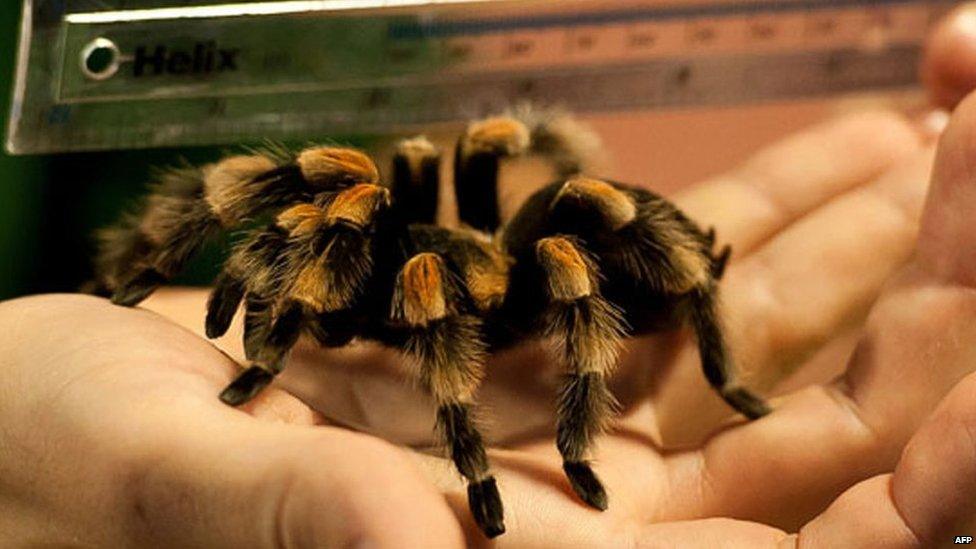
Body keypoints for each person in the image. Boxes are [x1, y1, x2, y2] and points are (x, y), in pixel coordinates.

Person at [4, 7, 976, 547]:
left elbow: (509, 168)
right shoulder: (364, 237)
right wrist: (134, 291)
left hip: (574, 285)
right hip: (470, 278)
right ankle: (132, 266)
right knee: (338, 179)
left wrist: (484, 453)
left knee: (565, 234)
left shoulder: (484, 263)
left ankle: (693, 371)